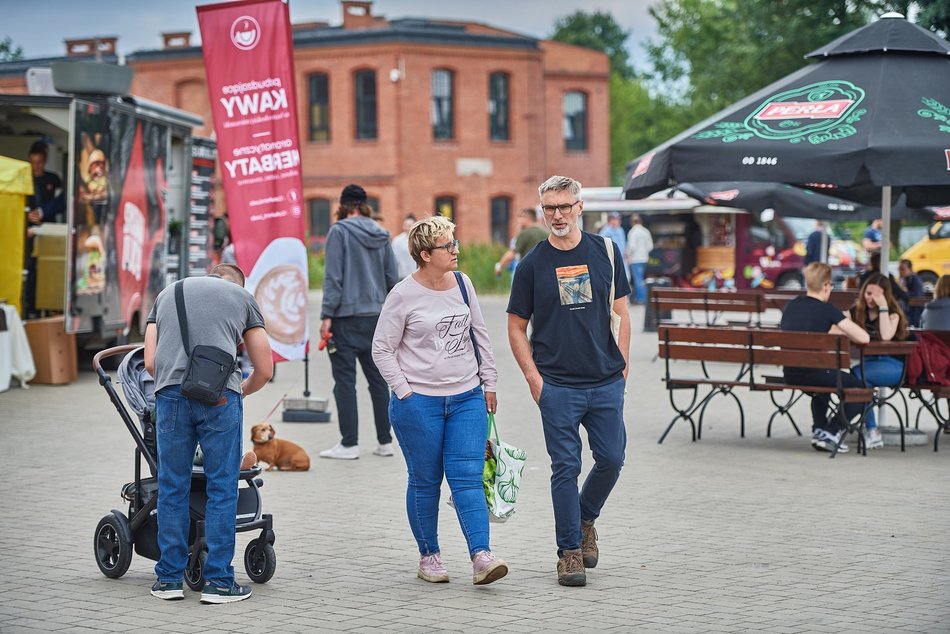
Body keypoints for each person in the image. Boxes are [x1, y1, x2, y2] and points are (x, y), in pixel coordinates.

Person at [507, 175, 630, 587]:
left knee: (612, 459)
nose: (557, 215)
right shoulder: (532, 265)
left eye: (564, 206)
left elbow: (623, 313)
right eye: (549, 208)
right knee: (566, 466)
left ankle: (585, 517)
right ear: (543, 211)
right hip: (556, 384)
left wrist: (624, 365)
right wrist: (532, 378)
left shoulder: (607, 252)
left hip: (605, 379)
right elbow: (515, 327)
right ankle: (569, 552)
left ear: (580, 208)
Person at [372, 215, 508, 586]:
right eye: (448, 245)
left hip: (467, 398)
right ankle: (429, 555)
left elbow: (480, 335)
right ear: (425, 254)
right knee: (425, 480)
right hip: (419, 403)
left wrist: (489, 383)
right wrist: (405, 392)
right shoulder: (402, 294)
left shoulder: (463, 283)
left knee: (466, 478)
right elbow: (381, 349)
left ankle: (482, 556)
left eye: (455, 243)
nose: (456, 250)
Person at [143, 263, 273, 604]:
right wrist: (241, 390)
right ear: (237, 282)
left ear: (210, 273)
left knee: (172, 485)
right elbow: (265, 367)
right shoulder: (243, 298)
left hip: (170, 395)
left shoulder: (168, 293)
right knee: (221, 486)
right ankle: (218, 582)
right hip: (219, 397)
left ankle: (168, 580)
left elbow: (151, 362)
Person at [320, 184, 399, 459]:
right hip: (377, 317)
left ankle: (349, 444)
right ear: (365, 206)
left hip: (345, 317)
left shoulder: (338, 232)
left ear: (343, 206)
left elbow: (334, 277)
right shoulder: (383, 235)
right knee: (378, 381)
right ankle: (385, 442)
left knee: (344, 381)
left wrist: (326, 315)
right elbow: (393, 278)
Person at [780, 262, 870, 454]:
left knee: (823, 389)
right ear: (826, 285)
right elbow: (864, 337)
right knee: (861, 391)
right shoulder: (827, 309)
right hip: (815, 373)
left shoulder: (791, 305)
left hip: (791, 373)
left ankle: (820, 429)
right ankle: (831, 431)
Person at [849, 273, 910, 449]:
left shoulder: (893, 315)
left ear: (886, 296)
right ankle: (872, 431)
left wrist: (883, 307)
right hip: (867, 365)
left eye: (877, 295)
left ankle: (870, 430)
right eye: (868, 293)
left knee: (858, 374)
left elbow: (885, 336)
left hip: (893, 365)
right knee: (858, 377)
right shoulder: (857, 311)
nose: (871, 298)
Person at [23, 140, 65, 318]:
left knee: (47, 271)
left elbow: (62, 202)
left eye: (39, 163)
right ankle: (30, 307)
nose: (36, 167)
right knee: (29, 270)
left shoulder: (52, 179)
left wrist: (41, 212)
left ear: (45, 161)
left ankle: (47, 306)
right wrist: (26, 217)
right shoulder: (24, 178)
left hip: (48, 233)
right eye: (33, 163)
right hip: (27, 233)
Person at [494, 208, 548, 276]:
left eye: (521, 217)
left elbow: (511, 254)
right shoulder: (546, 232)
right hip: (544, 270)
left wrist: (499, 266)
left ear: (527, 218)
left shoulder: (525, 233)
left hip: (528, 272)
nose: (519, 220)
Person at [625, 213, 653, 304]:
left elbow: (631, 247)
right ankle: (638, 297)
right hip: (644, 258)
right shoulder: (646, 231)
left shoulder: (633, 232)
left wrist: (628, 255)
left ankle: (642, 299)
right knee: (641, 278)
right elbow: (650, 246)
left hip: (635, 259)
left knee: (638, 280)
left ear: (632, 222)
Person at [598, 212, 628, 281]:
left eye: (618, 219)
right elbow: (600, 245)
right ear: (611, 220)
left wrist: (627, 255)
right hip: (611, 259)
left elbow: (624, 244)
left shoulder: (620, 230)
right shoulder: (606, 231)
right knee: (613, 279)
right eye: (616, 219)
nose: (618, 221)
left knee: (625, 278)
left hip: (622, 259)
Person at [898, 258, 925, 327]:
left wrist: (904, 291)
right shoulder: (903, 279)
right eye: (899, 269)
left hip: (915, 311)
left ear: (910, 269)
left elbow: (917, 295)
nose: (900, 271)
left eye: (903, 269)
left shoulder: (915, 279)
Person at [391, 213, 417, 279]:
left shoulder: (418, 240)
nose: (407, 227)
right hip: (401, 277)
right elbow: (394, 259)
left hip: (416, 276)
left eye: (410, 225)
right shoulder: (397, 240)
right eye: (406, 225)